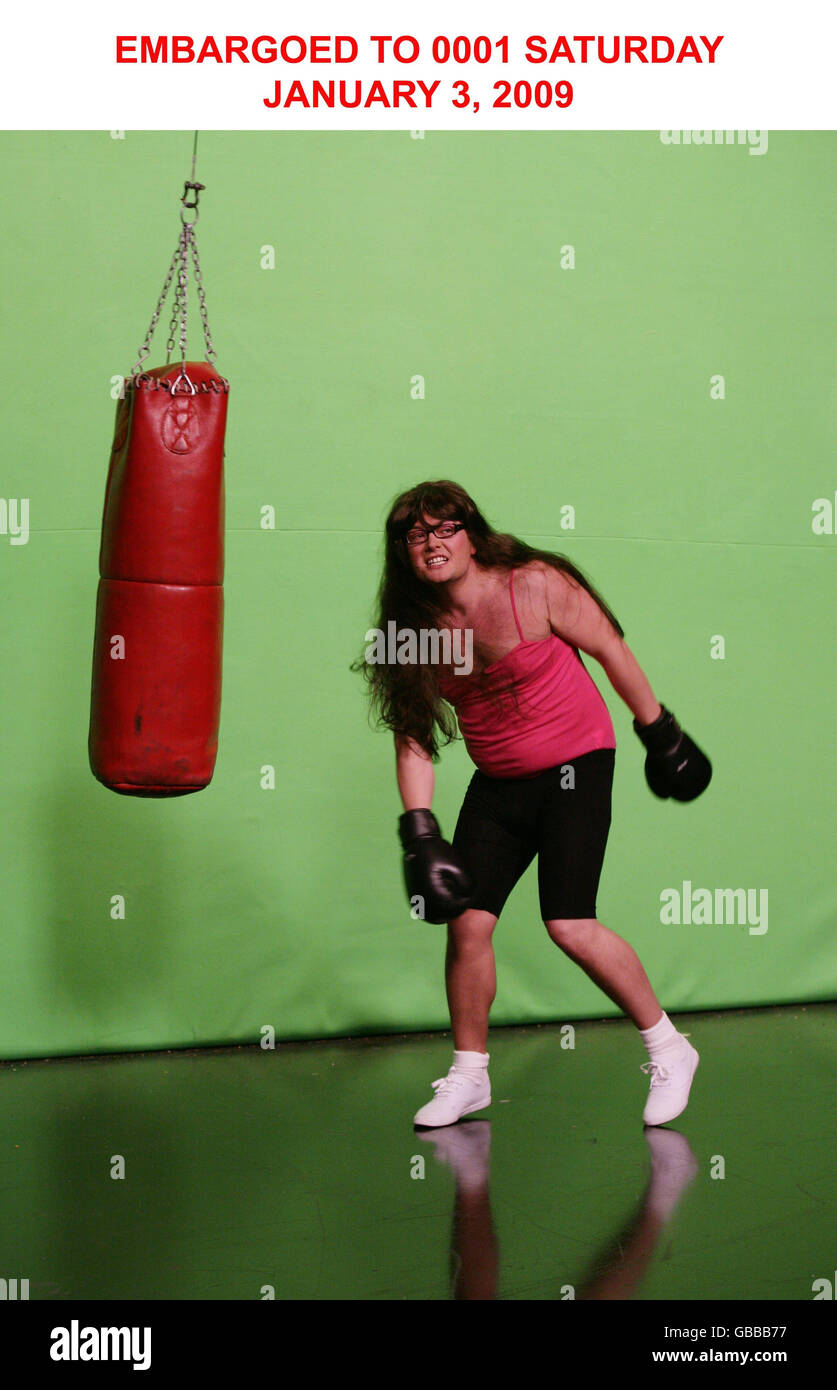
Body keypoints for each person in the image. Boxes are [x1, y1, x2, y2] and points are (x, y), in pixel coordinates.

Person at [356, 480, 711, 1129]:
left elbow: (608, 649)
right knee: (467, 924)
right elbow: (413, 737)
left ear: (470, 532)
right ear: (402, 550)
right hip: (498, 780)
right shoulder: (416, 628)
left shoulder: (532, 584)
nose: (431, 543)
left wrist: (659, 733)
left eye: (443, 529)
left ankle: (669, 1048)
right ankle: (469, 1076)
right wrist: (419, 831)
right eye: (415, 534)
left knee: (568, 924)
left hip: (577, 764)